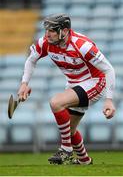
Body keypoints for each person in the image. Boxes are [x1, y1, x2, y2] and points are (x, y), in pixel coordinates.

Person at [17, 13, 116, 165]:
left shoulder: (82, 45)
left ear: (64, 31)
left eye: (52, 30)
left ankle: (66, 150)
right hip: (73, 84)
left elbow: (109, 69)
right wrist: (24, 83)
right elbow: (31, 60)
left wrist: (109, 100)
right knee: (70, 131)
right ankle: (84, 160)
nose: (47, 34)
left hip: (94, 82)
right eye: (46, 30)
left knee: (56, 103)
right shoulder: (45, 43)